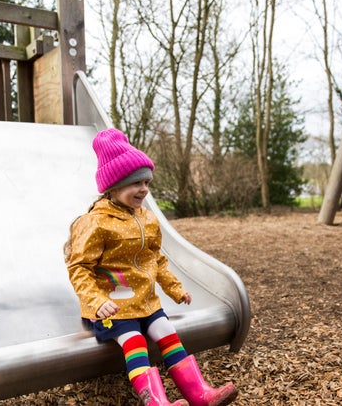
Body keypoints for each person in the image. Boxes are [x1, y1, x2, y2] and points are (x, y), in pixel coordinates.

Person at [64, 128, 238, 406]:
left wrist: (174, 288)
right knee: (135, 343)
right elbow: (79, 268)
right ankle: (157, 402)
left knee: (168, 334)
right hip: (113, 307)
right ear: (114, 185)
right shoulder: (94, 222)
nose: (144, 189)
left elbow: (155, 259)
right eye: (135, 183)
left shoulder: (147, 218)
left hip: (145, 302)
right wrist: (96, 302)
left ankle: (200, 394)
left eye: (146, 182)